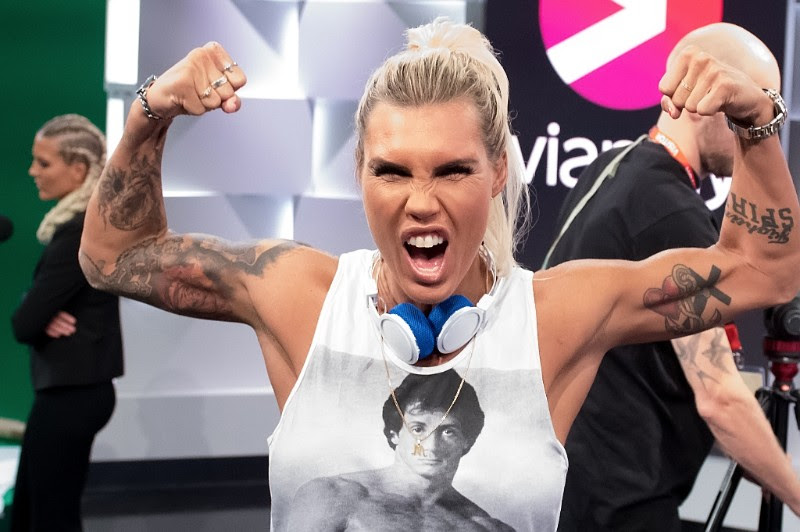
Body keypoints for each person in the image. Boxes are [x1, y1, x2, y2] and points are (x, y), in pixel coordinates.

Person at [78, 16, 800, 531]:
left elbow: (762, 271)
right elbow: (113, 258)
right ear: (358, 172)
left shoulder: (558, 316)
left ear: (496, 174)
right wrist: (148, 116)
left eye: (453, 170)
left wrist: (758, 123)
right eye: (392, 171)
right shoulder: (297, 293)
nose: (421, 202)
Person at [539, 23, 800, 531]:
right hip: (618, 504)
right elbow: (721, 399)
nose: (760, 131)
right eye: (750, 109)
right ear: (708, 97)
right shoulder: (671, 214)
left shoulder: (612, 167)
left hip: (571, 487)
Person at [10, 114, 124, 531]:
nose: (32, 171)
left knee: (50, 517)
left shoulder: (77, 233)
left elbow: (24, 324)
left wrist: (34, 311)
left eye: (43, 162)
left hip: (72, 394)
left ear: (78, 169)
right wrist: (36, 310)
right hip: (74, 390)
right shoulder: (84, 227)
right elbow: (33, 316)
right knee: (33, 511)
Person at [286, 370, 514, 530]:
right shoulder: (332, 495)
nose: (431, 445)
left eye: (448, 432)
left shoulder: (487, 527)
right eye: (418, 429)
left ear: (467, 440)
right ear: (394, 434)